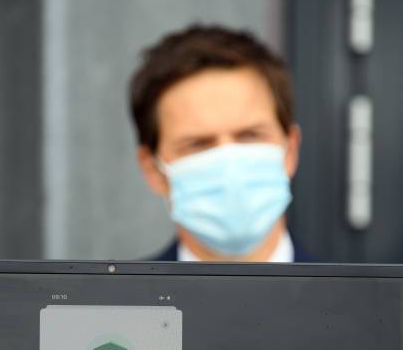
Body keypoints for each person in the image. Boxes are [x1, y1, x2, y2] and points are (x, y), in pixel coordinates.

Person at [129, 24, 306, 262]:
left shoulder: (360, 298)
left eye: (250, 136)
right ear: (153, 170)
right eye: (198, 144)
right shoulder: (119, 299)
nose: (229, 160)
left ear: (290, 151)